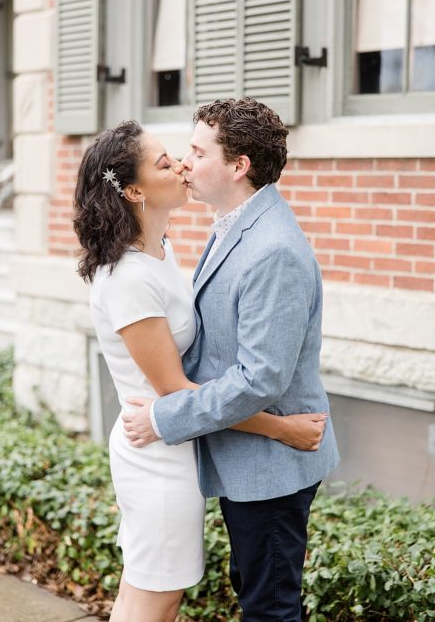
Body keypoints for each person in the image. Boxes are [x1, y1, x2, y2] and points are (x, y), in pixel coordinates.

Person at [74, 119, 328, 622]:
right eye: (168, 160)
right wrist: (281, 427)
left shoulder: (162, 250)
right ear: (133, 190)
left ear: (240, 166)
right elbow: (175, 388)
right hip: (158, 450)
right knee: (157, 595)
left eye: (188, 153)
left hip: (177, 439)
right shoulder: (128, 277)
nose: (182, 165)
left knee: (148, 589)